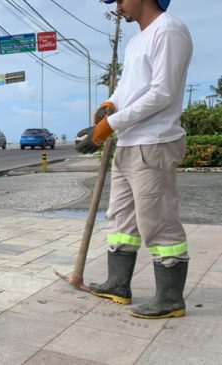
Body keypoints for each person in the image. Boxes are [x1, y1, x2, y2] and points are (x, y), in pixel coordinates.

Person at [77, 0, 191, 319]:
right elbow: (129, 88)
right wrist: (109, 105)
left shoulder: (169, 30)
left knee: (158, 219)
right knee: (121, 218)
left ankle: (170, 298)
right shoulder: (138, 38)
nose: (118, 5)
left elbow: (162, 93)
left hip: (153, 142)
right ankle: (118, 283)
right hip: (129, 142)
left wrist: (108, 126)